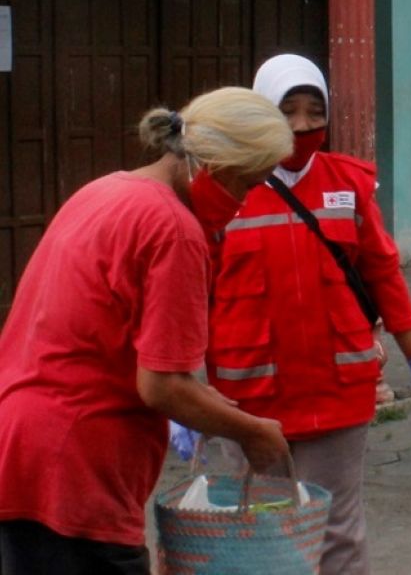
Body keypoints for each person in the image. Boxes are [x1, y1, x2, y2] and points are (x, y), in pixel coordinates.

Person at [0, 87, 295, 575]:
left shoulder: (107, 189)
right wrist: (254, 433)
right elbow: (160, 385)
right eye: (247, 185)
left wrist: (210, 405)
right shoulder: (174, 230)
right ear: (216, 165)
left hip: (23, 444)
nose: (242, 204)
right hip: (76, 462)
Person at [198, 53, 411, 575]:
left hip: (337, 393)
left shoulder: (349, 184)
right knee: (262, 531)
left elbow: (384, 274)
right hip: (248, 399)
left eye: (315, 111)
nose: (302, 126)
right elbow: (191, 291)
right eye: (287, 110)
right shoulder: (226, 188)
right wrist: (186, 391)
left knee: (337, 531)